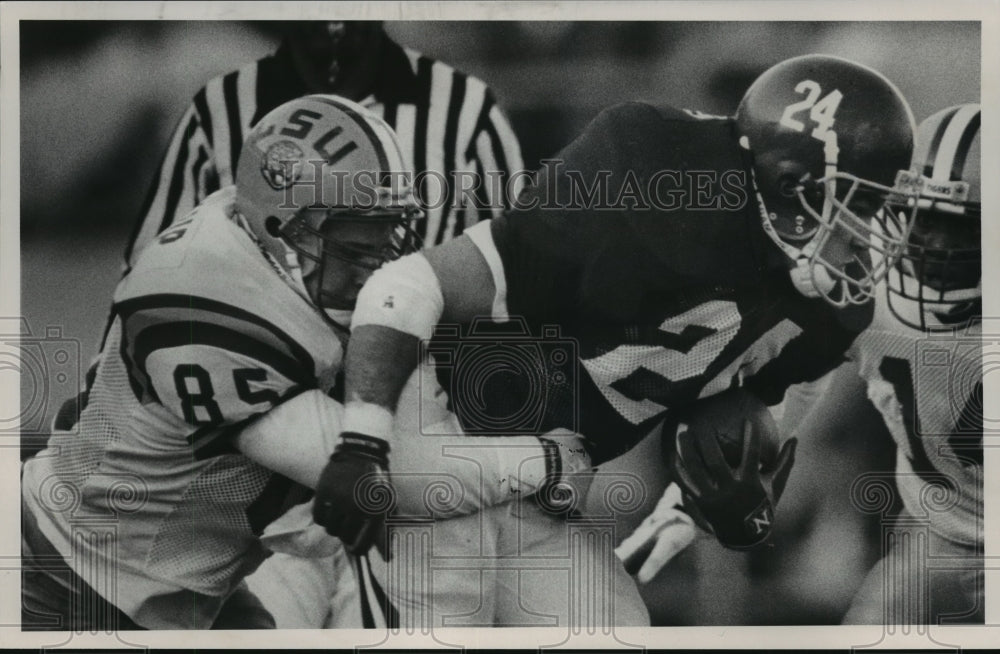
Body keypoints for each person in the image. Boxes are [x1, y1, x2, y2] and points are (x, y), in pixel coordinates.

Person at [312, 54, 921, 625]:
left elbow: (791, 378)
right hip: (436, 439)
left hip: (544, 491)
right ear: (790, 186)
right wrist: (363, 441)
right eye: (858, 204)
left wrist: (699, 504)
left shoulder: (828, 303)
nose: (868, 236)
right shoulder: (651, 176)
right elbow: (410, 282)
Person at [20, 95, 574, 631]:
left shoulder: (257, 240)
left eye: (385, 242)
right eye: (356, 251)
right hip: (65, 579)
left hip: (174, 582)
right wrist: (549, 457)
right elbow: (400, 478)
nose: (376, 270)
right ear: (280, 229)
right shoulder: (204, 305)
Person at [839, 103, 983, 624]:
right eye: (923, 220)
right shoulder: (866, 281)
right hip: (940, 538)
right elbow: (796, 376)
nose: (937, 248)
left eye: (963, 229)